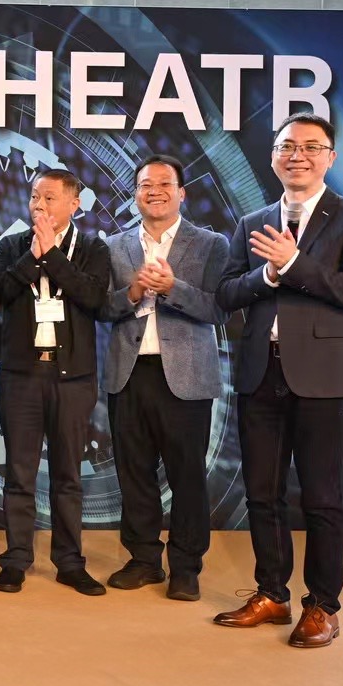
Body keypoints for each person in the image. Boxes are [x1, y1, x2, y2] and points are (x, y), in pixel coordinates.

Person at [213, 115, 343, 648]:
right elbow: (226, 294)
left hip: (323, 376)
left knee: (322, 497)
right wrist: (266, 274)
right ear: (273, 157)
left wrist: (294, 263)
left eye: (310, 147)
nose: (297, 155)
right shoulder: (253, 221)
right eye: (287, 146)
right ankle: (272, 594)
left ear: (330, 158)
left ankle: (323, 606)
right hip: (262, 372)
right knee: (261, 493)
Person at [98, 154, 228, 602]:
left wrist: (173, 288)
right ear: (135, 194)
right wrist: (132, 292)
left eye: (164, 184)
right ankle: (143, 560)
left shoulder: (210, 244)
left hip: (187, 377)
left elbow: (220, 309)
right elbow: (102, 308)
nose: (154, 192)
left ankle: (186, 567)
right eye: (145, 185)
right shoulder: (113, 246)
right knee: (134, 472)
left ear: (181, 193)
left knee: (187, 475)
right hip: (129, 373)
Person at [0, 168, 111, 596]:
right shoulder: (10, 246)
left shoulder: (93, 248)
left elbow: (94, 298)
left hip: (72, 378)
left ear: (74, 204)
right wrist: (32, 257)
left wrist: (53, 257)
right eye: (34, 197)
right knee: (19, 474)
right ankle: (16, 559)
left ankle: (69, 562)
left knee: (67, 475)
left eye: (49, 198)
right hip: (21, 377)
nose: (38, 205)